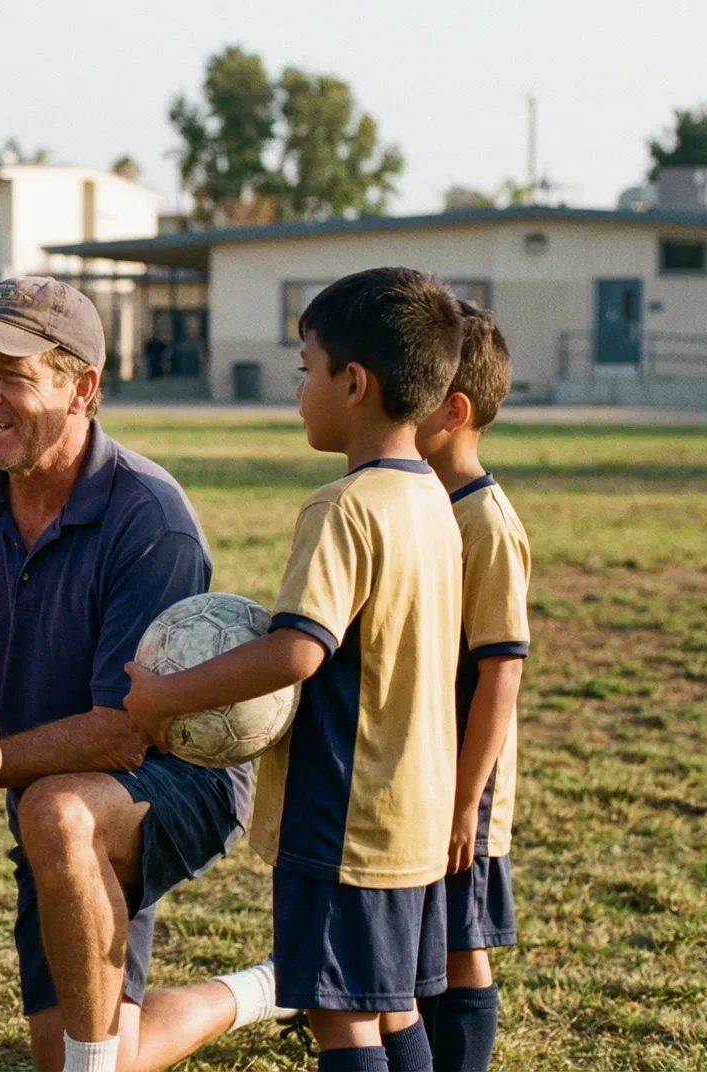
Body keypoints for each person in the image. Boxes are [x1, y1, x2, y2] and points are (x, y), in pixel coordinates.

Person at [0, 276, 285, 1072]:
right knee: (82, 1048)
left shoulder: (149, 516)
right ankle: (271, 987)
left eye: (10, 375)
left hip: (176, 778)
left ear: (81, 387)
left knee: (52, 813)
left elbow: (122, 730)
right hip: (56, 785)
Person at [127, 266, 467, 1072]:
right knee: (391, 1006)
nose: (298, 388)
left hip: (343, 816)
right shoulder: (432, 502)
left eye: (305, 370)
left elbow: (295, 651)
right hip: (413, 810)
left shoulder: (344, 507)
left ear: (353, 384)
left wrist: (164, 698)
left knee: (337, 1016)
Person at [413, 304, 530, 1072]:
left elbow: (502, 671)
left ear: (452, 411)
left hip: (464, 785)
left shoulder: (485, 522)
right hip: (418, 771)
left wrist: (465, 801)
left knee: (462, 945)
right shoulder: (417, 503)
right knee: (424, 932)